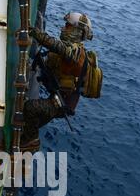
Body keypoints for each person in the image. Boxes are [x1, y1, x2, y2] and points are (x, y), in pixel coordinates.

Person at [22, 12, 102, 150]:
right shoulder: (72, 51)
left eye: (68, 26)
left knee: (30, 108)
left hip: (61, 104)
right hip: (56, 98)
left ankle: (31, 142)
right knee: (29, 120)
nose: (63, 28)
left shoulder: (77, 53)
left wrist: (36, 33)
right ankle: (26, 139)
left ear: (78, 31)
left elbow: (58, 47)